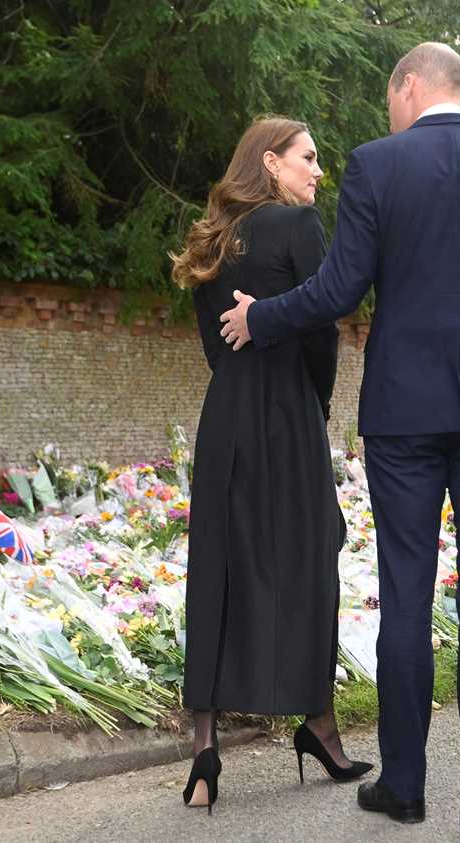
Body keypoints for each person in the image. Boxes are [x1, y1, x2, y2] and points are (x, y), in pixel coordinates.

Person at [218, 44, 460, 841]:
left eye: (391, 99)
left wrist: (260, 317)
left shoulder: (379, 166)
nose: (389, 114)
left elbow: (339, 288)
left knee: (406, 594)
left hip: (403, 413)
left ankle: (406, 787)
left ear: (410, 87)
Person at [171, 116, 373, 815]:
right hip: (287, 415)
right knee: (310, 558)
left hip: (225, 414)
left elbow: (212, 345)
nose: (318, 172)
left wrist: (239, 381)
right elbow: (322, 330)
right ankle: (317, 724)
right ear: (272, 161)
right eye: (308, 158)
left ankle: (204, 750)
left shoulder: (212, 239)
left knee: (219, 569)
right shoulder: (298, 229)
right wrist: (312, 404)